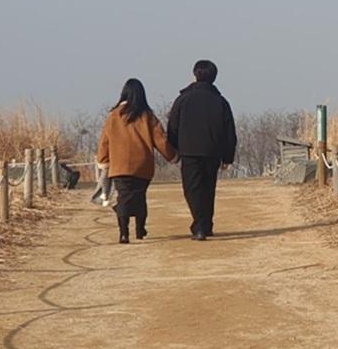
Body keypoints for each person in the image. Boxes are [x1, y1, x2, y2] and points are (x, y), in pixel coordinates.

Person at [96, 79, 177, 244]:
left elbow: (104, 141)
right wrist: (173, 156)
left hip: (119, 166)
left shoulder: (114, 116)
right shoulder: (148, 116)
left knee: (123, 197)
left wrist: (103, 161)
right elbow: (160, 140)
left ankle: (124, 233)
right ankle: (140, 229)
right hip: (143, 166)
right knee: (139, 196)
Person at [167, 59, 236, 241]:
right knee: (208, 189)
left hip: (189, 151)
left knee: (192, 189)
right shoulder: (221, 101)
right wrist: (228, 157)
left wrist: (174, 149)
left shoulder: (183, 99)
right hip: (213, 152)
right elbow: (229, 131)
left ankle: (200, 226)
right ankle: (206, 225)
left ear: (195, 75)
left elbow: (172, 126)